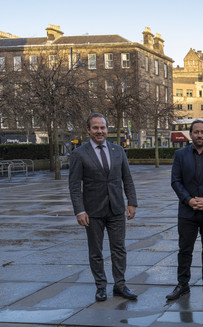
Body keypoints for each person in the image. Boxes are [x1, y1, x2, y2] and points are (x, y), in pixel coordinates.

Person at [69, 113, 138, 302]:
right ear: (88, 130)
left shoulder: (118, 151)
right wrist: (79, 210)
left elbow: (127, 178)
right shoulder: (79, 154)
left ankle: (120, 285)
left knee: (119, 249)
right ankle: (100, 287)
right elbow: (74, 186)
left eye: (103, 127)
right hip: (92, 212)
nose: (99, 131)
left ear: (108, 129)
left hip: (116, 208)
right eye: (95, 128)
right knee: (96, 251)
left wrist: (131, 202)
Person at [166, 119, 203, 301]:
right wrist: (188, 200)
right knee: (185, 250)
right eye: (196, 132)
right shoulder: (180, 154)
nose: (199, 135)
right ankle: (182, 285)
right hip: (187, 211)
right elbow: (175, 181)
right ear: (190, 134)